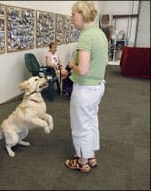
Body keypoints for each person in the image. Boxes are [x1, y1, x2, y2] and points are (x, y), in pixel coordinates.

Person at [64, 1, 108, 173]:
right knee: (91, 122)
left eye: (73, 14)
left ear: (82, 14)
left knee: (80, 126)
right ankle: (90, 156)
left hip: (85, 89)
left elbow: (82, 69)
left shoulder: (86, 36)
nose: (71, 17)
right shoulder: (100, 34)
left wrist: (71, 65)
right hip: (97, 86)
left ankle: (82, 162)